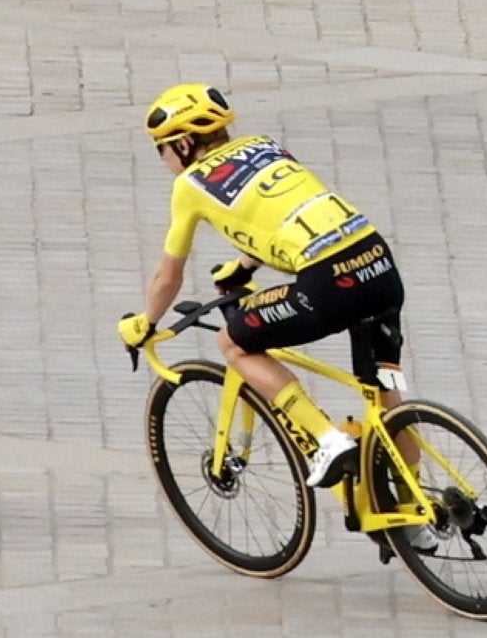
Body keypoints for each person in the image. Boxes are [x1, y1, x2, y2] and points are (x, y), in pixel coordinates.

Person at [117, 83, 406, 489]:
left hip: (330, 280)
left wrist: (146, 322)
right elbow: (284, 211)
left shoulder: (190, 185)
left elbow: (169, 276)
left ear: (183, 144)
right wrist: (244, 266)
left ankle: (328, 441)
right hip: (378, 262)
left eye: (160, 147)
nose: (161, 158)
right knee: (385, 396)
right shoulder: (264, 146)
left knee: (233, 342)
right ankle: (416, 518)